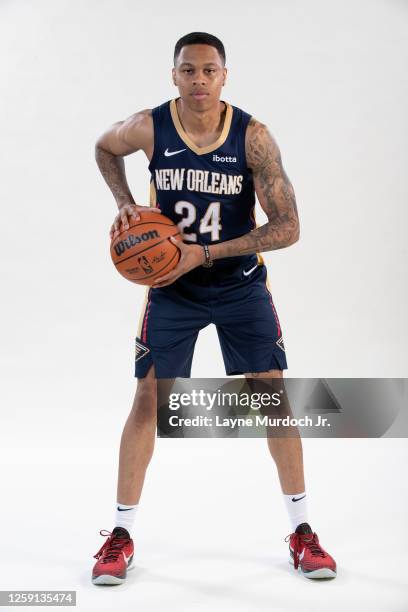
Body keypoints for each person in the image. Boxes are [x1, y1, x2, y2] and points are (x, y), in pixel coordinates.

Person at [92, 31, 336, 585]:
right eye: (187, 70)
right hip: (171, 288)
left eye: (208, 70)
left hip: (238, 282)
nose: (198, 79)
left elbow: (289, 228)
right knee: (148, 400)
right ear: (173, 75)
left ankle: (302, 531)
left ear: (225, 75)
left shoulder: (254, 137)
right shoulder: (149, 127)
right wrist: (126, 204)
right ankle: (120, 536)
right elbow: (104, 147)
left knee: (272, 395)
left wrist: (206, 253)